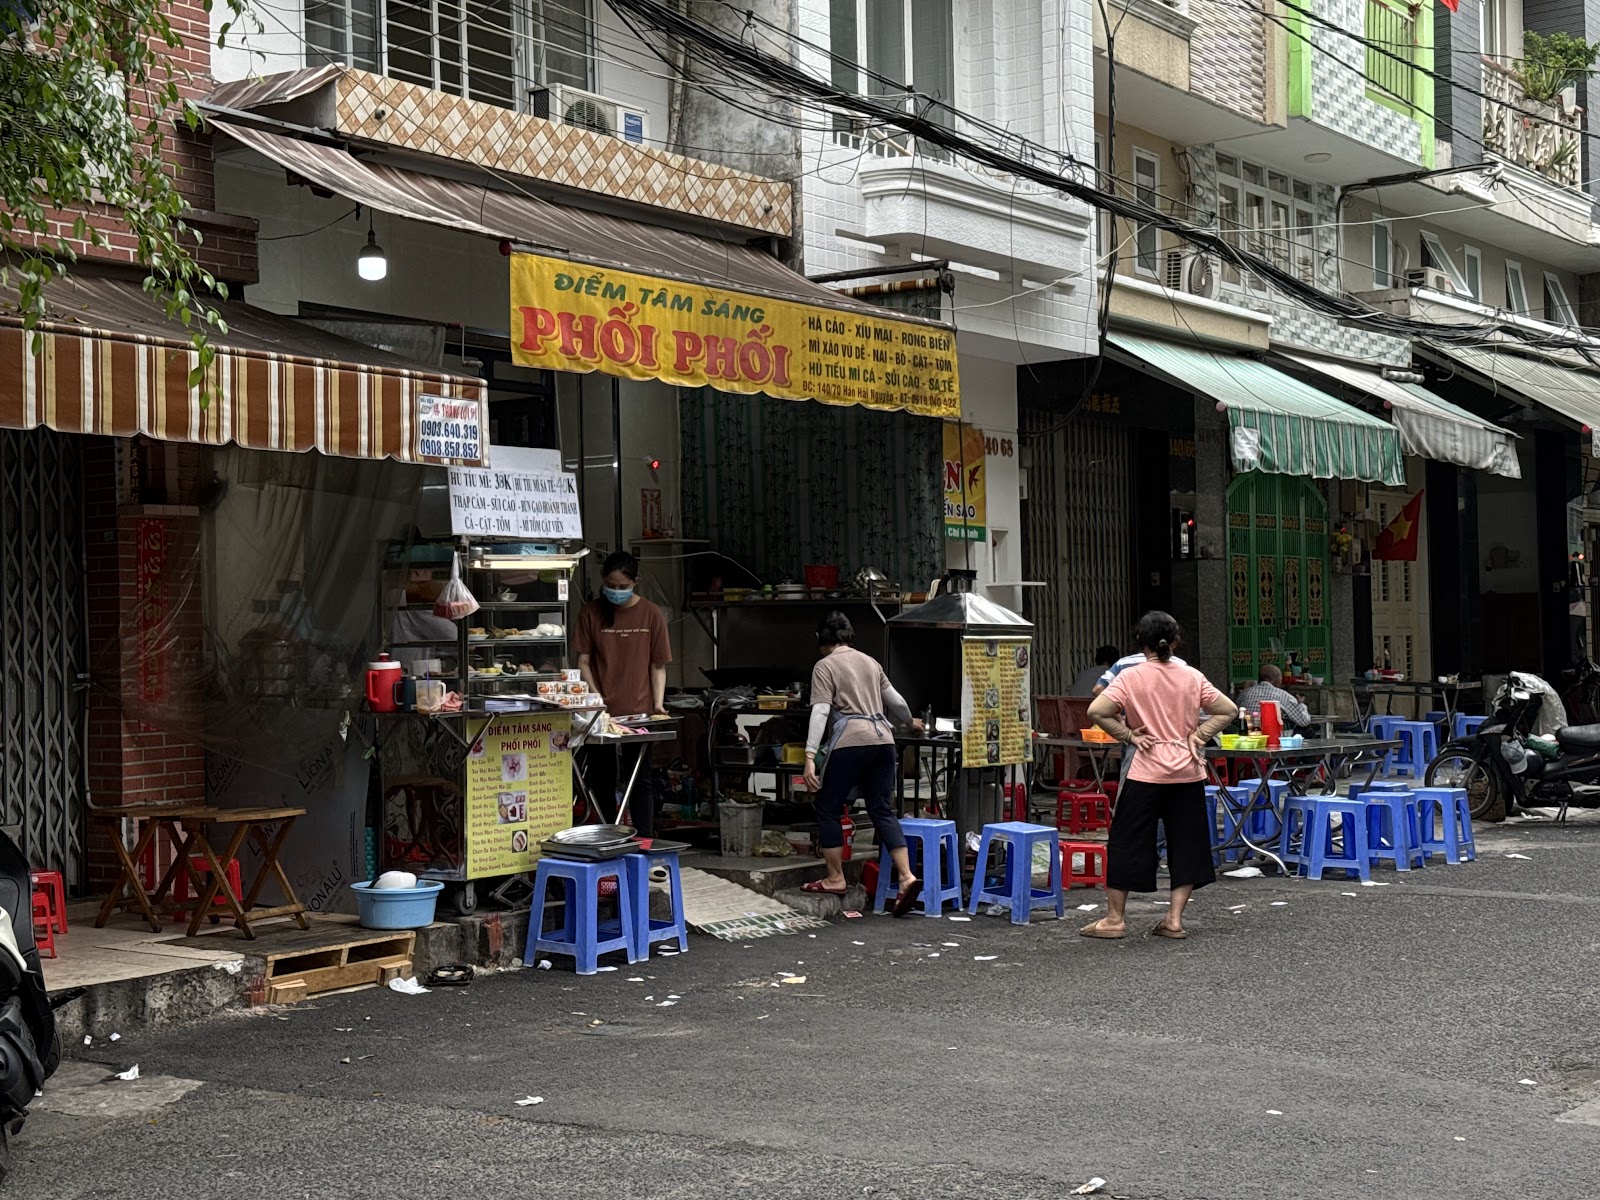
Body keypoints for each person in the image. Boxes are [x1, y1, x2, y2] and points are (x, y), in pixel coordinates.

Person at [1081, 611, 1237, 940]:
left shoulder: (1131, 676)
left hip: (1146, 769)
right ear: (1176, 643)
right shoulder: (1192, 676)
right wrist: (1198, 735)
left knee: (1127, 840)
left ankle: (1115, 920)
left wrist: (1129, 735)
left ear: (1141, 643)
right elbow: (1228, 710)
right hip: (1187, 770)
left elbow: (1097, 711)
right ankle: (1174, 919)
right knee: (1186, 842)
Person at [800, 612, 925, 916]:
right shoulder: (870, 662)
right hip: (883, 739)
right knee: (881, 808)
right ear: (850, 637)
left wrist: (808, 756)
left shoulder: (824, 666)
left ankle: (835, 877)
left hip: (850, 741)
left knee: (827, 805)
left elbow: (820, 712)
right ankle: (907, 877)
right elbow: (895, 701)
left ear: (821, 640)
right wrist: (911, 722)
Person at [574, 551, 672, 836]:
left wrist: (658, 704)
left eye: (622, 586)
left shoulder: (652, 614)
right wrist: (596, 700)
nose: (615, 592)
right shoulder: (590, 612)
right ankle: (608, 838)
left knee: (640, 779)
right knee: (601, 778)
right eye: (611, 586)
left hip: (639, 711)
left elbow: (658, 666)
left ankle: (644, 842)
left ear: (635, 582)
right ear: (603, 581)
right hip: (600, 714)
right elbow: (582, 662)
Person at [1235, 664, 1312, 732]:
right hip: (1273, 737)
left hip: (1247, 734)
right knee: (1307, 730)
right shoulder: (1283, 695)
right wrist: (1301, 704)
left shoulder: (1244, 694)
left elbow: (1235, 714)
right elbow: (1304, 721)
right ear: (1276, 681)